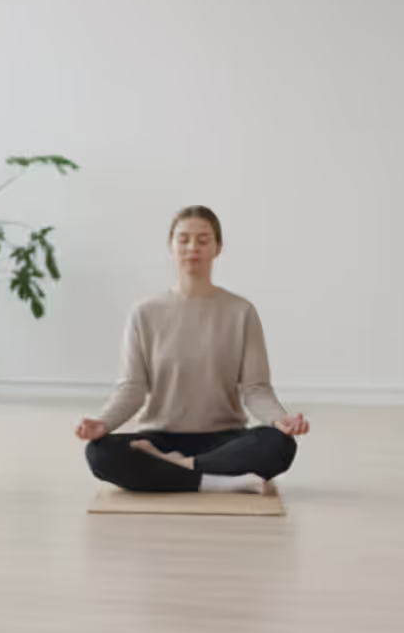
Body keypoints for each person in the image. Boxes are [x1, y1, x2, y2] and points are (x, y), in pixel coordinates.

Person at [75, 206, 307, 494]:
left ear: (217, 248)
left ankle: (179, 469)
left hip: (225, 439)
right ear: (170, 247)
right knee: (100, 454)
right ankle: (215, 481)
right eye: (183, 239)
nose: (192, 247)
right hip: (158, 438)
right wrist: (102, 422)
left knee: (278, 445)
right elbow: (132, 388)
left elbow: (256, 388)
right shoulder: (144, 313)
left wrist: (279, 418)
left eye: (203, 239)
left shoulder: (241, 311)